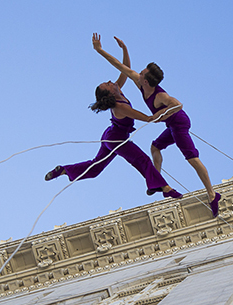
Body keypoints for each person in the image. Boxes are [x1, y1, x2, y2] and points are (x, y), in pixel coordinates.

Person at [92, 36, 221, 217]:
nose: (139, 72)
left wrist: (158, 116)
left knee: (192, 159)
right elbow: (121, 66)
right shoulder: (140, 82)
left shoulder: (161, 96)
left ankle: (212, 195)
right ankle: (157, 181)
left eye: (142, 73)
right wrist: (104, 50)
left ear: (146, 81)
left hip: (179, 124)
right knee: (155, 147)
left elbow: (178, 105)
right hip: (170, 124)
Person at [45, 35, 181, 200]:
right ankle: (166, 188)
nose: (110, 81)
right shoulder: (120, 106)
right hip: (116, 140)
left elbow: (125, 68)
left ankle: (64, 170)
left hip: (110, 136)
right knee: (142, 160)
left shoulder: (118, 90)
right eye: (107, 84)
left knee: (95, 169)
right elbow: (148, 118)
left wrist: (124, 49)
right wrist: (168, 110)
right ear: (109, 93)